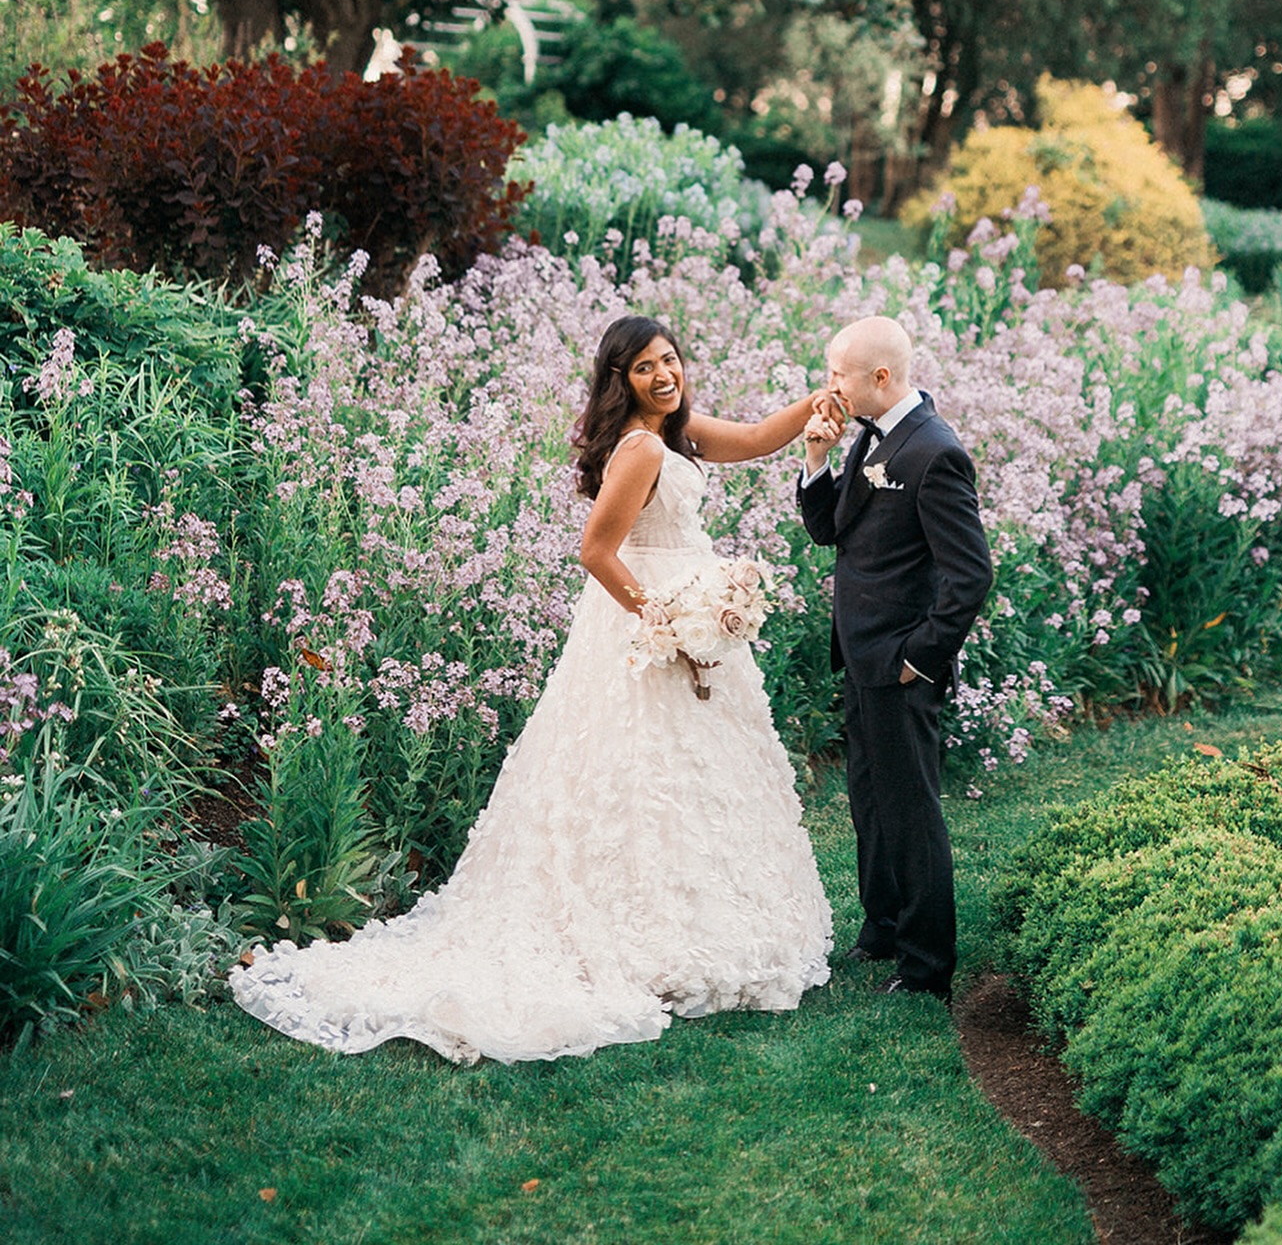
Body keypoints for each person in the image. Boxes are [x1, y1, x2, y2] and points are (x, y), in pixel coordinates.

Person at [231, 314, 832, 1064]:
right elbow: (596, 550)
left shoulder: (677, 432)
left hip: (692, 626)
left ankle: (695, 920)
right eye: (645, 366)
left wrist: (822, 397)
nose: (664, 374)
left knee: (689, 776)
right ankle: (643, 931)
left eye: (670, 359)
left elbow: (753, 437)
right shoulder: (642, 447)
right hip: (648, 632)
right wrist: (666, 623)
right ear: (621, 380)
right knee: (639, 774)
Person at [798, 315, 993, 1003]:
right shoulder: (868, 438)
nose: (829, 387)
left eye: (837, 375)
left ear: (879, 376)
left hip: (900, 664)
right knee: (870, 802)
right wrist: (817, 459)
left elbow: (969, 575)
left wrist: (921, 658)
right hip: (858, 655)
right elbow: (832, 532)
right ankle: (880, 929)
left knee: (910, 812)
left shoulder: (933, 452)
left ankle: (924, 966)